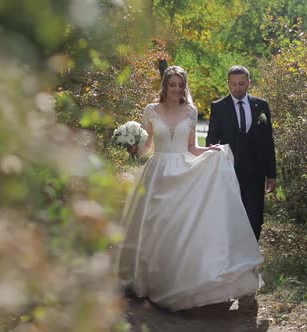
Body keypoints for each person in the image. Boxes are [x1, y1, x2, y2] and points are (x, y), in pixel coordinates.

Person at [113, 66, 263, 311]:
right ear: (165, 86)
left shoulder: (191, 111)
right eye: (172, 85)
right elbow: (147, 146)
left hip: (182, 170)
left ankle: (182, 280)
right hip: (158, 172)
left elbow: (192, 147)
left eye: (181, 85)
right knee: (155, 225)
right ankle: (152, 280)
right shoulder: (151, 110)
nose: (177, 89)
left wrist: (213, 151)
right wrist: (132, 148)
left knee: (180, 227)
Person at [206, 65, 277, 241]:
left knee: (255, 218)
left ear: (249, 83)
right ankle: (232, 256)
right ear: (228, 84)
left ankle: (251, 258)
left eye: (241, 84)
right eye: (233, 84)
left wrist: (272, 174)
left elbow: (268, 141)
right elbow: (211, 140)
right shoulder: (218, 107)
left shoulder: (261, 105)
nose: (237, 88)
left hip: (256, 172)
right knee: (230, 216)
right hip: (229, 172)